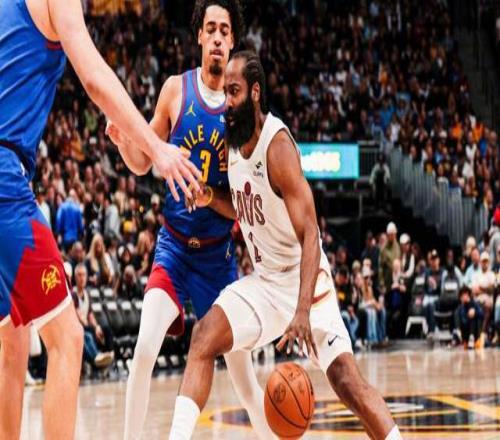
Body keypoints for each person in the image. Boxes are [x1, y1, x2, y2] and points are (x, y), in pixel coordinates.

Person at [168, 51, 401, 440]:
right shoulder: (232, 142)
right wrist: (209, 196)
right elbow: (244, 207)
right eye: (225, 92)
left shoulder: (277, 147)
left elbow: (311, 233)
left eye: (234, 91)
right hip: (266, 283)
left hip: (305, 283)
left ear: (255, 93)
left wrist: (302, 310)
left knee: (347, 381)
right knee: (204, 336)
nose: (227, 102)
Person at [0, 0, 199, 438]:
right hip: (3, 178)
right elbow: (92, 74)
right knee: (68, 340)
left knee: (12, 337)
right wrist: (156, 147)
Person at [106, 2, 275, 439]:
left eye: (224, 31)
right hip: (175, 249)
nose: (217, 37)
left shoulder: (240, 112)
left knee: (244, 381)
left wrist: (208, 196)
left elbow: (242, 207)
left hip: (217, 261)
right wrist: (124, 142)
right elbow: (143, 162)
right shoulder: (175, 91)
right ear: (199, 35)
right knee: (144, 351)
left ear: (233, 41)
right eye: (210, 29)